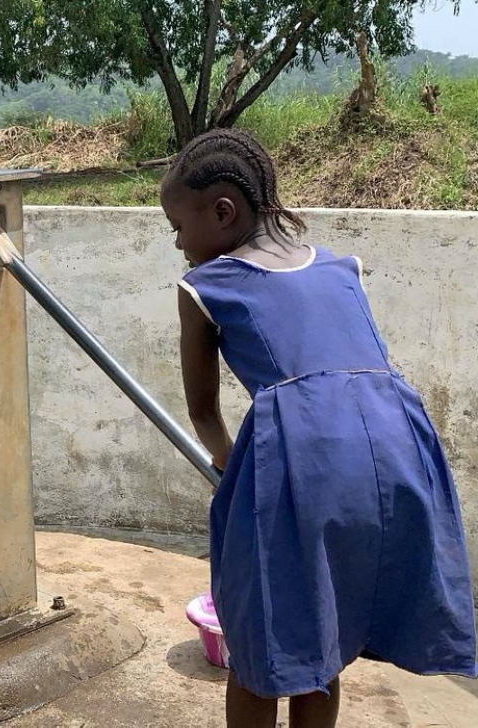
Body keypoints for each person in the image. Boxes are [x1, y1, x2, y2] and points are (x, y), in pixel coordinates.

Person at [165, 128, 477, 727]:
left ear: (223, 212)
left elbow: (204, 413)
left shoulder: (205, 285)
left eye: (178, 225)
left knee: (262, 642)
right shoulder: (341, 267)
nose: (178, 242)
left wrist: (232, 472)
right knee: (325, 629)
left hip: (303, 454)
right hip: (398, 450)